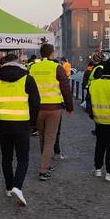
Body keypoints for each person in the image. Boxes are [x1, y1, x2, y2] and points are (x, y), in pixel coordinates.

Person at [0, 54, 40, 206]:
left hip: (3, 124)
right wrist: (32, 124)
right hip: (22, 124)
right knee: (23, 158)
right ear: (17, 63)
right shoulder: (27, 79)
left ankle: (9, 187)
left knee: (6, 156)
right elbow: (36, 103)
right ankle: (17, 185)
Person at [29, 43, 74, 181]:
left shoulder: (33, 68)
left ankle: (46, 164)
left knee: (43, 137)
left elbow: (29, 86)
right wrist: (70, 107)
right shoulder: (57, 67)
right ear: (51, 54)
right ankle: (43, 170)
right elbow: (65, 88)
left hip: (37, 108)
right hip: (53, 108)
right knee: (50, 139)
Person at [87, 59, 110, 181]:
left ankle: (98, 169)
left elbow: (88, 102)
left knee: (100, 145)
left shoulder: (95, 84)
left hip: (99, 120)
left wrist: (93, 115)